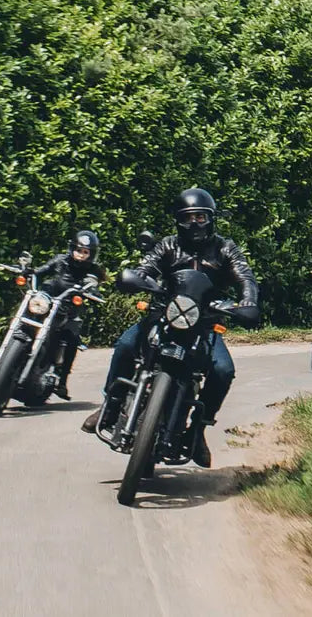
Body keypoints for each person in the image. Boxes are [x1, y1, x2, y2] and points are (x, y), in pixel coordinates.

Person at [81, 188, 259, 469]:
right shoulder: (167, 245)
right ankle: (110, 403)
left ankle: (198, 429)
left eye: (201, 217)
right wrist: (139, 278)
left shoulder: (225, 248)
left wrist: (247, 299)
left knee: (223, 370)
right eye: (188, 218)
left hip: (204, 323)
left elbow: (244, 275)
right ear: (179, 221)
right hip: (164, 315)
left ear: (211, 219)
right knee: (126, 345)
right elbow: (146, 266)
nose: (195, 224)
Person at [0, 230, 105, 401]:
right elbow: (41, 271)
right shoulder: (61, 259)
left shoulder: (93, 271)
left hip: (67, 308)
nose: (80, 255)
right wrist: (28, 272)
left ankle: (62, 381)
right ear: (71, 248)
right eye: (78, 250)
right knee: (17, 322)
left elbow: (94, 284)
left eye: (85, 252)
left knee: (73, 337)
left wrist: (92, 290)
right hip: (47, 300)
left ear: (91, 254)